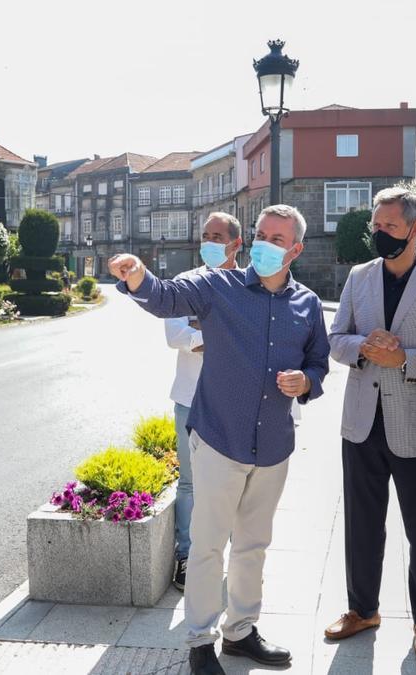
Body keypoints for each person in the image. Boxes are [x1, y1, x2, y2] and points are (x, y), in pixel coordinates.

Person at [110, 204, 329, 675]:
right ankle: (199, 640)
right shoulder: (217, 287)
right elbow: (166, 298)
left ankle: (241, 632)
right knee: (208, 545)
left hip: (272, 445)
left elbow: (319, 363)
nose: (264, 244)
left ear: (296, 249)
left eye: (277, 238)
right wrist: (137, 277)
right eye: (260, 234)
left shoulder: (308, 304)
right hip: (217, 439)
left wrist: (306, 381)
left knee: (253, 544)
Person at [323, 187, 416, 663]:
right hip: (362, 422)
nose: (380, 234)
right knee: (362, 526)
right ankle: (362, 608)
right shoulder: (360, 277)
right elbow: (335, 338)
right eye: (376, 227)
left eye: (390, 227)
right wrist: (364, 347)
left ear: (415, 229)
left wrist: (404, 357)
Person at [164, 212, 242, 591]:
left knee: (233, 483)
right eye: (205, 235)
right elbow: (174, 333)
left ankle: (223, 558)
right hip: (190, 398)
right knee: (191, 483)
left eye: (218, 235)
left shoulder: (251, 285)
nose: (209, 241)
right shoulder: (186, 282)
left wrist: (202, 327)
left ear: (236, 243)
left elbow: (252, 338)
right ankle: (187, 557)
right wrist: (211, 334)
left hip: (235, 399)